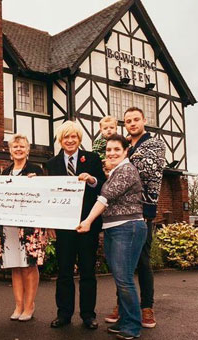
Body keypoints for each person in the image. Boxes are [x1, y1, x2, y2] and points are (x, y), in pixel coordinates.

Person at [77, 134, 147, 340]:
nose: (112, 153)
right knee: (121, 279)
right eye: (108, 150)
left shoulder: (126, 170)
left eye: (117, 149)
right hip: (116, 229)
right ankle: (125, 321)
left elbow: (105, 198)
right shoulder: (116, 171)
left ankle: (133, 326)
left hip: (127, 228)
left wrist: (88, 221)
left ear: (126, 151)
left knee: (124, 280)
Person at [105, 107, 166, 328]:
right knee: (122, 264)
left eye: (136, 120)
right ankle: (123, 305)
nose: (132, 124)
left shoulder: (155, 144)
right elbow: (113, 169)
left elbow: (147, 169)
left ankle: (146, 307)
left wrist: (119, 163)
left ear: (144, 120)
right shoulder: (126, 145)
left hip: (143, 211)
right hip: (120, 212)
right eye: (128, 121)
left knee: (143, 260)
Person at [46, 120, 105, 330]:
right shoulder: (51, 163)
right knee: (64, 272)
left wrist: (92, 180)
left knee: (88, 271)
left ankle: (88, 315)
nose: (70, 141)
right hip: (63, 227)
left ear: (79, 139)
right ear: (60, 140)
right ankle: (64, 314)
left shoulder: (92, 158)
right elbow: (48, 195)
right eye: (65, 137)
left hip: (87, 224)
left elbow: (103, 186)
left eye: (74, 137)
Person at [0, 134, 47, 322]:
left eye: (22, 146)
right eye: (15, 147)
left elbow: (44, 196)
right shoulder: (4, 173)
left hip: (29, 226)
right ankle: (18, 305)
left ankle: (30, 305)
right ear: (9, 151)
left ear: (27, 150)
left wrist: (36, 184)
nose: (18, 149)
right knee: (15, 266)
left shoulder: (36, 170)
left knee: (28, 266)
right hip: (8, 226)